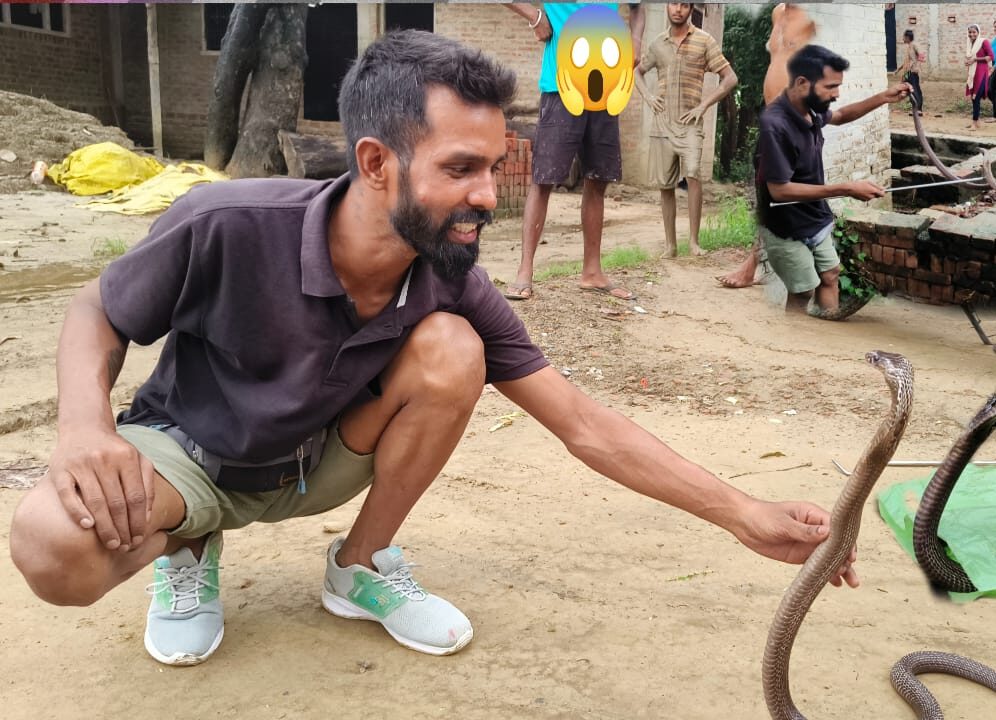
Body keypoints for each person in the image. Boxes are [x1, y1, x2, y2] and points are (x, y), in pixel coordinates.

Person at [10, 30, 858, 668]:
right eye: (461, 169)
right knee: (52, 548)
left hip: (317, 461)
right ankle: (191, 551)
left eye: (496, 166)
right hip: (190, 458)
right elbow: (98, 309)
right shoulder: (229, 224)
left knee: (455, 349)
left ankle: (361, 563)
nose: (488, 195)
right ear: (376, 163)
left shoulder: (449, 277)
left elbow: (582, 423)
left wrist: (744, 513)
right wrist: (86, 426)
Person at [502, 3, 644, 301]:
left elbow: (638, 8)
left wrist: (636, 41)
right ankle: (524, 271)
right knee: (543, 179)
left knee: (598, 179)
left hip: (607, 88)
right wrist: (535, 16)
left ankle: (591, 272)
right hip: (561, 84)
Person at [755, 44, 911, 315]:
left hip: (814, 216)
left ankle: (827, 338)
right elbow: (779, 191)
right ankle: (794, 347)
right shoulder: (775, 125)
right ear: (802, 82)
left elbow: (839, 116)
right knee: (803, 289)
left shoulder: (810, 108)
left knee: (830, 274)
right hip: (784, 224)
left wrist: (883, 97)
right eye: (830, 87)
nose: (836, 94)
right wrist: (847, 188)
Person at [716, 2, 814, 289]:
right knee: (766, 194)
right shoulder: (778, 12)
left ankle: (754, 266)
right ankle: (762, 262)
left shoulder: (811, 17)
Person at [634, 2, 738, 258]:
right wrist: (647, 97)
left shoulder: (704, 41)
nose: (678, 9)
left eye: (683, 5)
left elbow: (730, 77)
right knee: (665, 185)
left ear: (691, 8)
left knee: (693, 175)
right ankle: (670, 245)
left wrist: (704, 104)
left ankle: (693, 241)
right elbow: (637, 71)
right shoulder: (658, 44)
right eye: (673, 4)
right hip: (662, 124)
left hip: (690, 123)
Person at [964, 23, 993, 131]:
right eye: (970, 32)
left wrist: (975, 59)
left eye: (974, 32)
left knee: (975, 98)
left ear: (978, 32)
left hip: (981, 74)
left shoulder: (983, 42)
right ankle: (977, 121)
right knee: (973, 98)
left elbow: (991, 56)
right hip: (972, 74)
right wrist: (968, 62)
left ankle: (974, 123)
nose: (971, 34)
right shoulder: (970, 44)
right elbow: (970, 58)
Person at [894, 29, 924, 115]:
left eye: (903, 37)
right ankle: (915, 108)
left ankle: (918, 109)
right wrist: (898, 70)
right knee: (910, 89)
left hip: (913, 72)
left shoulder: (914, 45)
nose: (903, 39)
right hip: (908, 72)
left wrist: (917, 66)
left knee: (914, 89)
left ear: (907, 37)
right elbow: (906, 62)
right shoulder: (908, 47)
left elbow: (921, 55)